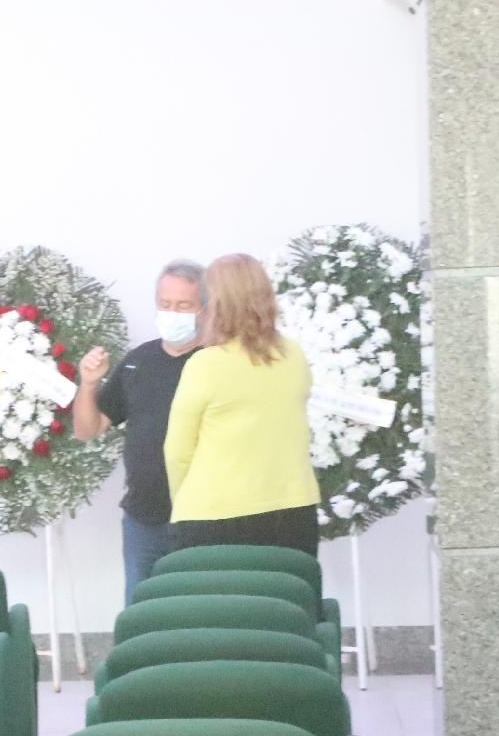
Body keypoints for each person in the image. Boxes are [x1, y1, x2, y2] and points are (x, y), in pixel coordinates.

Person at [161, 253, 320, 555]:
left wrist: (185, 500)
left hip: (213, 516)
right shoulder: (294, 356)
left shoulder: (205, 364)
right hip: (293, 511)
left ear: (215, 304)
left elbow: (178, 452)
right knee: (289, 600)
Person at [73, 260, 206, 604]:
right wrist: (88, 385)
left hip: (204, 519)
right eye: (165, 305)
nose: (172, 313)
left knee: (198, 612)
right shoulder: (138, 361)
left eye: (183, 306)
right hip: (143, 519)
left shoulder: (215, 362)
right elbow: (89, 428)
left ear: (204, 310)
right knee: (141, 612)